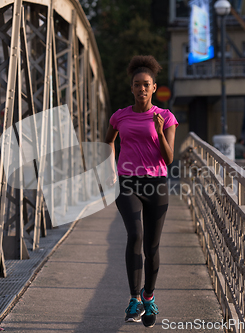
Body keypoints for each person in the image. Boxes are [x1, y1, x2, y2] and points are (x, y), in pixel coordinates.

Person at [104, 55, 178, 327]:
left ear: (154, 88)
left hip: (156, 184)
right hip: (127, 184)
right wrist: (112, 168)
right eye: (137, 84)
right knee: (135, 235)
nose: (142, 89)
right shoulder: (119, 116)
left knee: (152, 245)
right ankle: (134, 299)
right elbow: (108, 142)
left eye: (147, 84)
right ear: (132, 87)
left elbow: (169, 159)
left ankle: (149, 297)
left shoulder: (166, 117)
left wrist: (159, 132)